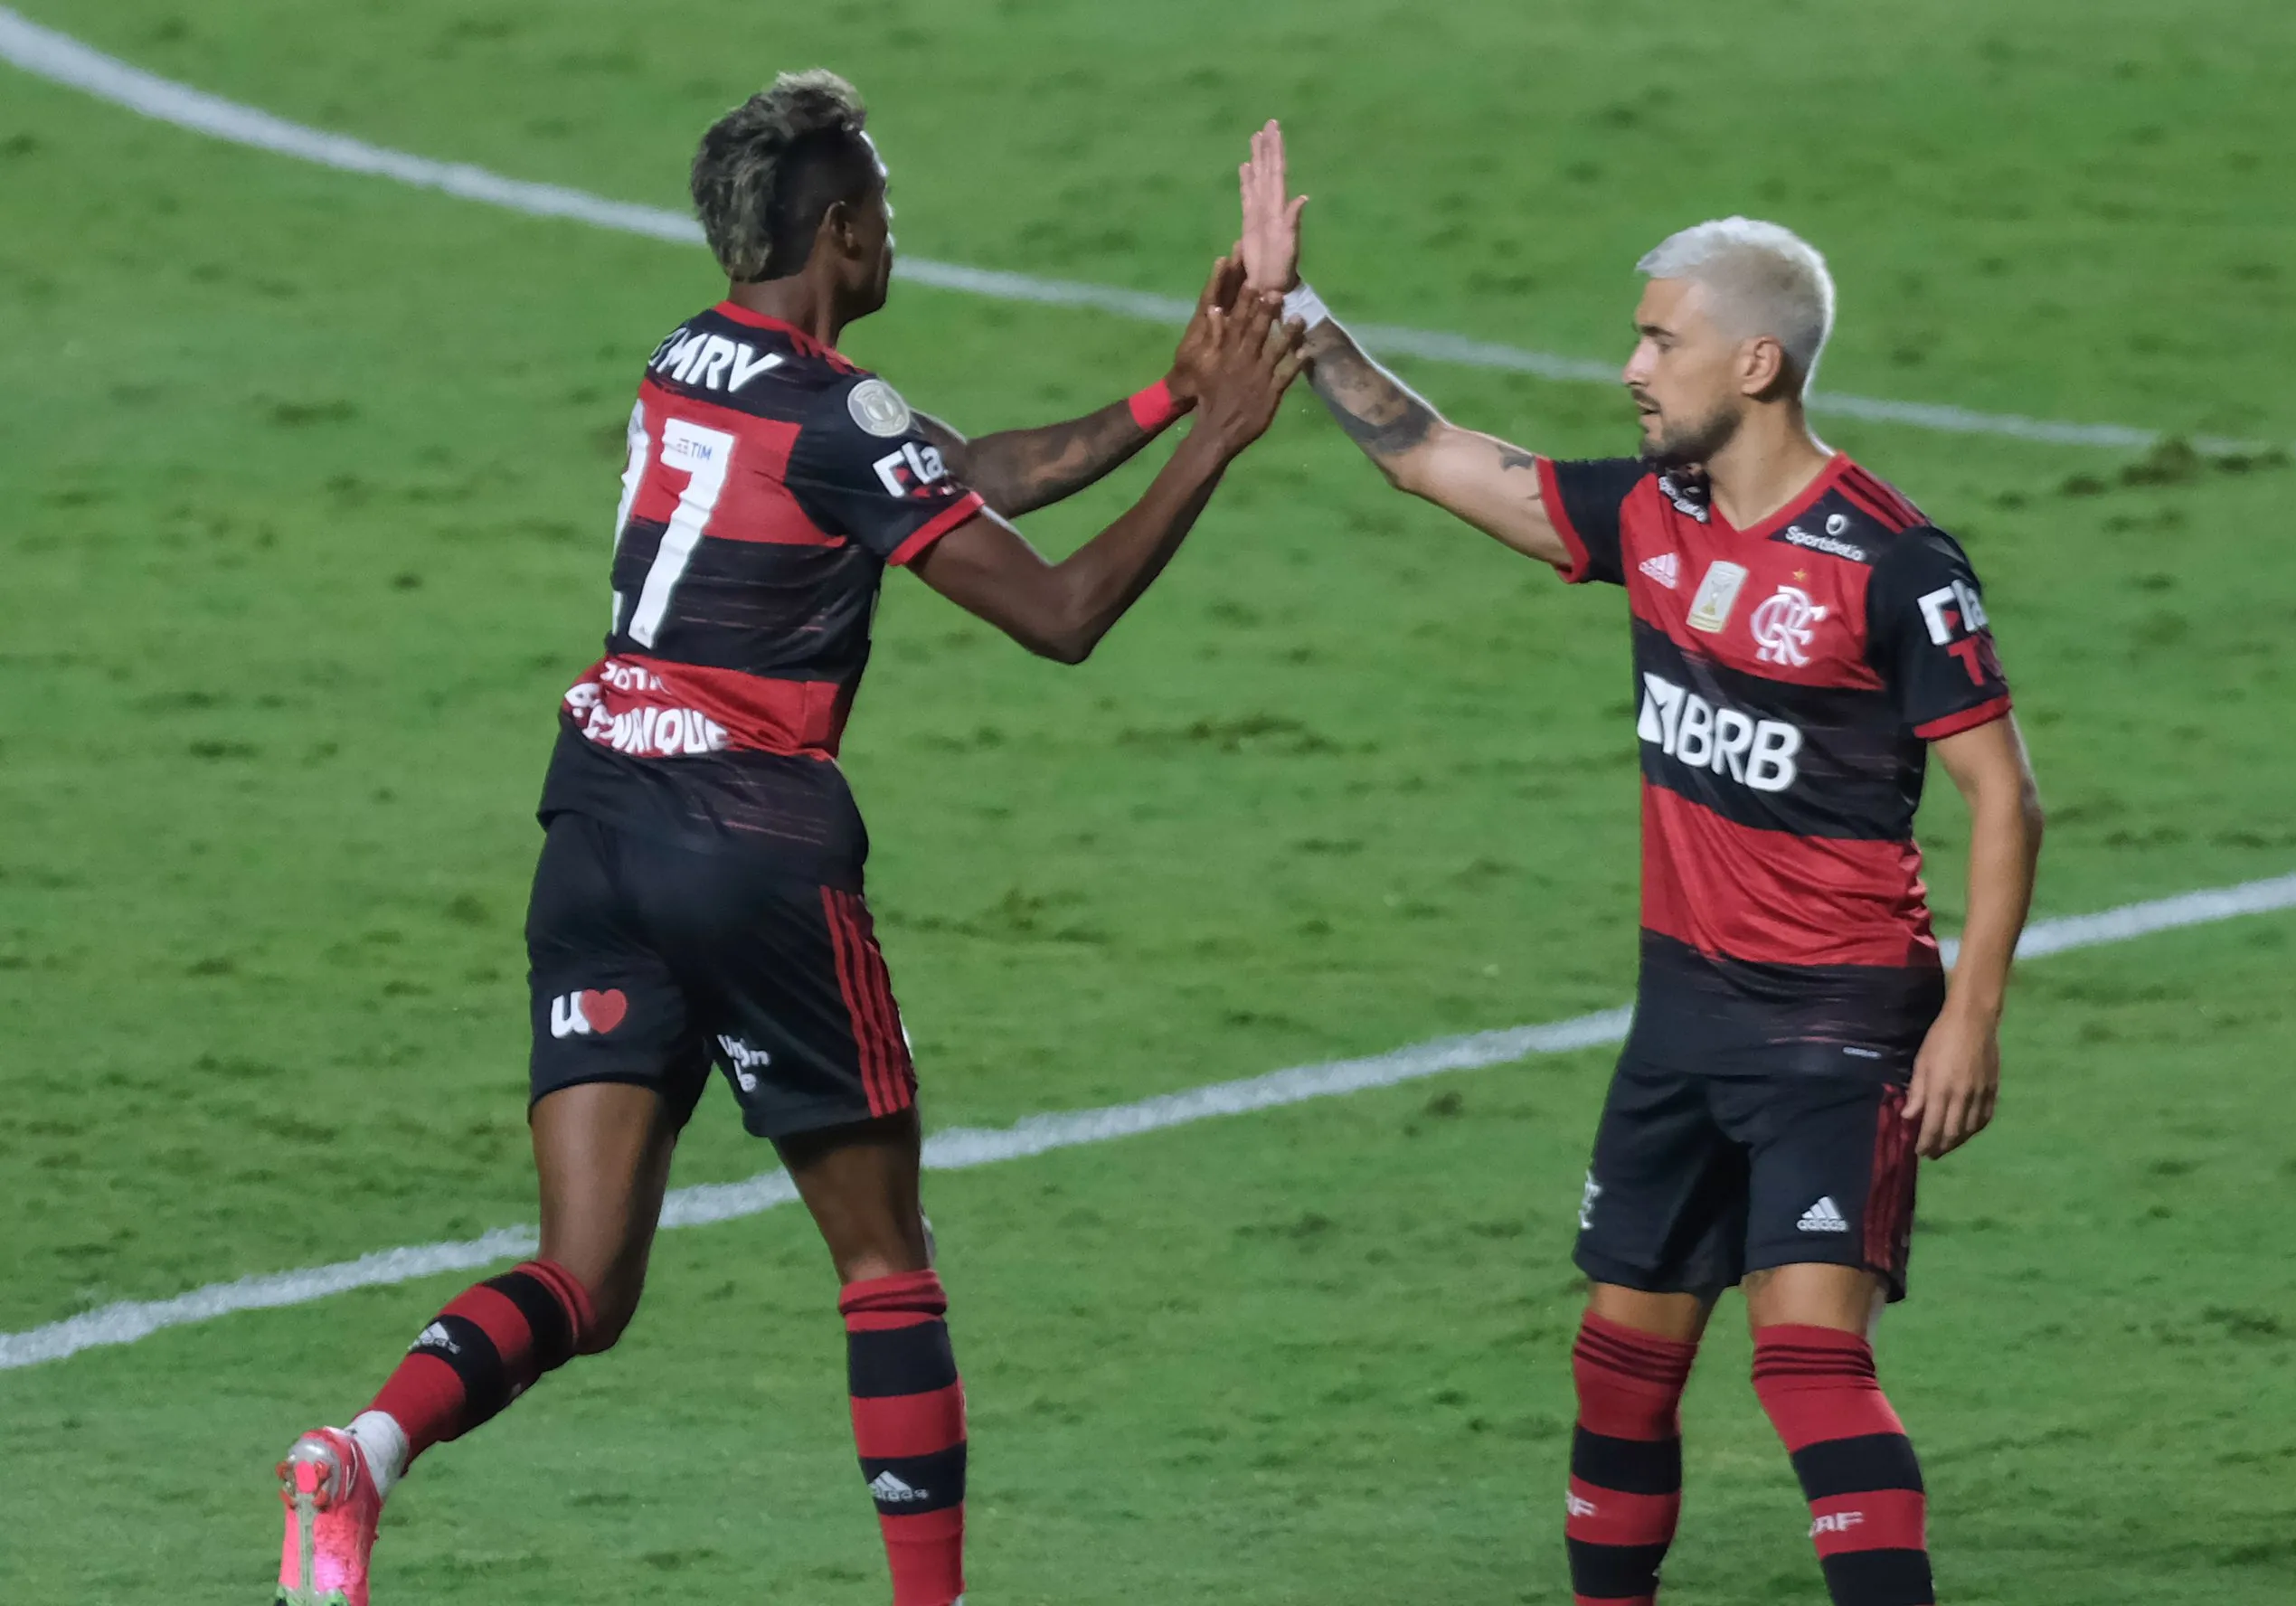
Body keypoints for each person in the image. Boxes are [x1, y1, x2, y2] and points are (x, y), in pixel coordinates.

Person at [272, 72, 1303, 1606]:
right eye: (881, 201)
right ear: (840, 228)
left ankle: (360, 1455)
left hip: (598, 823)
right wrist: (1220, 442)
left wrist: (1163, 396)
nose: (897, 226)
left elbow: (963, 473)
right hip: (748, 847)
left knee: (585, 1275)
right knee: (886, 1262)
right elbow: (1063, 614)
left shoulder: (694, 360)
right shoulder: (835, 418)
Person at [1237, 126, 2044, 1604]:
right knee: (1621, 1373)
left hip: (1836, 1024)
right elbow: (1429, 456)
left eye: (1660, 338)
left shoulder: (1894, 566)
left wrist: (1970, 1017)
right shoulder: (1653, 516)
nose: (1631, 365)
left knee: (1806, 1366)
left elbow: (2007, 798)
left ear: (1754, 365)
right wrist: (1299, 316)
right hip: (1680, 1018)